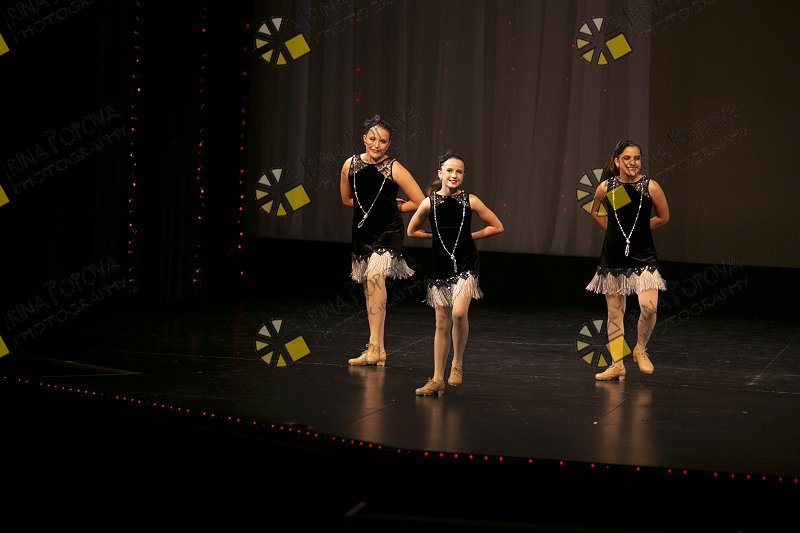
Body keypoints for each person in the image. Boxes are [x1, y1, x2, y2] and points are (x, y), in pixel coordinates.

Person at [407, 149, 504, 396]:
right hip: (440, 265)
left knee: (459, 313)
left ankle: (457, 362)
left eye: (459, 171)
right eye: (449, 170)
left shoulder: (470, 200)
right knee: (441, 323)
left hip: (466, 264)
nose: (454, 175)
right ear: (439, 173)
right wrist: (435, 236)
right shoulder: (429, 203)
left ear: (463, 175)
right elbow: (412, 231)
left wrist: (470, 236)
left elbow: (496, 226)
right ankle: (437, 379)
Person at [340, 114, 425, 366]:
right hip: (363, 231)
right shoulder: (350, 165)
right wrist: (373, 208)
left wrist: (394, 207)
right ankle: (378, 349)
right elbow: (347, 199)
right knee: (369, 287)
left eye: (383, 141)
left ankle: (374, 347)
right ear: (364, 138)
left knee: (376, 277)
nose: (377, 145)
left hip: (388, 231)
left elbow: (420, 201)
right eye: (372, 139)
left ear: (389, 144)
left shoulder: (393, 167)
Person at [587, 140, 670, 380]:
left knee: (649, 307)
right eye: (627, 158)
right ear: (617, 161)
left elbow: (663, 216)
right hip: (614, 255)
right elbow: (596, 212)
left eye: (636, 158)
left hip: (643, 256)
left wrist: (640, 230)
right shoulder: (608, 187)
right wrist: (613, 231)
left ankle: (640, 349)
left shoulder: (650, 186)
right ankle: (617, 365)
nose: (632, 162)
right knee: (615, 312)